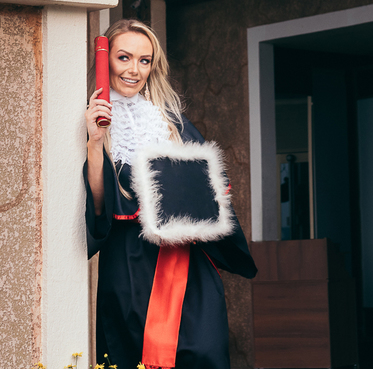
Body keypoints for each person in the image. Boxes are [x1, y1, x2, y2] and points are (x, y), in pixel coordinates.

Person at [84, 19, 257, 369]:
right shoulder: (93, 119)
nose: (134, 70)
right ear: (105, 63)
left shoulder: (172, 121)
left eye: (144, 60)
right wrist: (96, 143)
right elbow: (99, 206)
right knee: (135, 355)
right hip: (131, 263)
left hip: (187, 261)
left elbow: (211, 187)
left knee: (203, 350)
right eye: (124, 58)